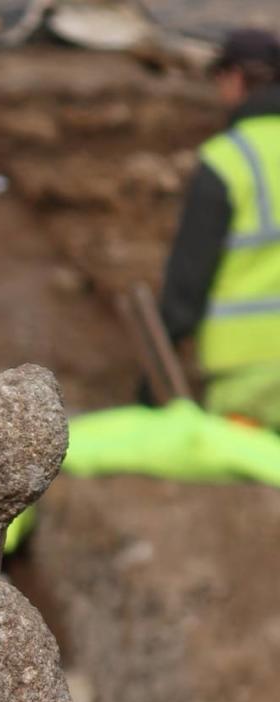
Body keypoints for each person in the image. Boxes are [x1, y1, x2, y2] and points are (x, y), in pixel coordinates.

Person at [159, 27, 280, 427]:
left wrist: (161, 357)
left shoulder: (228, 159)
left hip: (247, 375)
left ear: (234, 78)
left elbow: (188, 279)